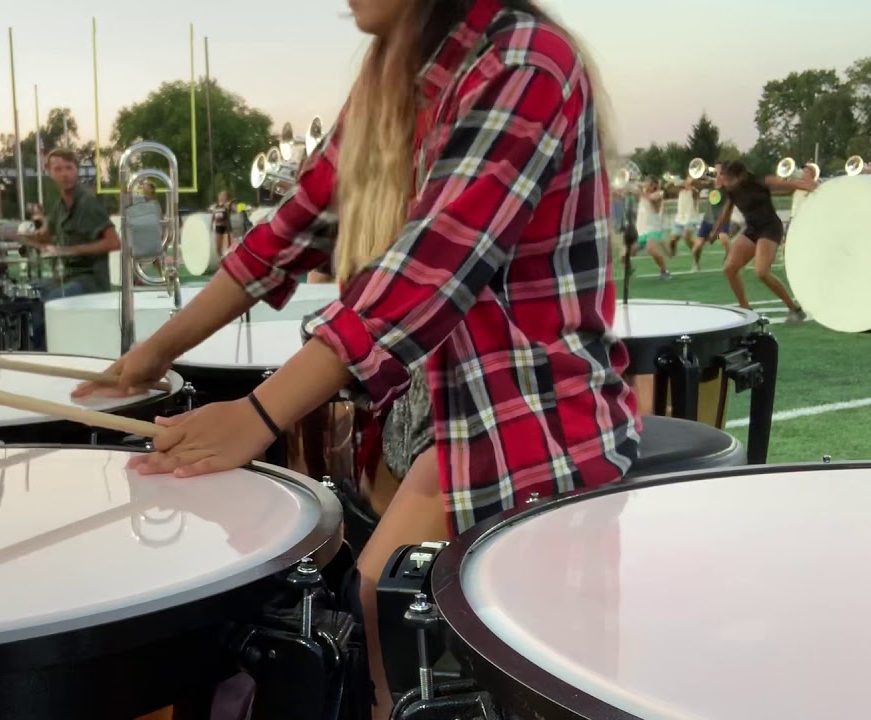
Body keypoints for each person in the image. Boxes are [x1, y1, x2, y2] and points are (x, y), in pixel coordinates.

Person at [73, 1, 639, 715]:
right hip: (439, 412)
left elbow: (423, 276)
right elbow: (288, 228)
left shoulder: (523, 64)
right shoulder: (395, 81)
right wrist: (152, 353)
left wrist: (256, 413)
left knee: (380, 593)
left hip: (535, 420)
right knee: (348, 571)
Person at [29, 148, 121, 349]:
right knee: (31, 293)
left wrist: (71, 250)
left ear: (76, 171)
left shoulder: (88, 203)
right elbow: (46, 235)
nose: (64, 174)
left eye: (69, 168)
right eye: (58, 169)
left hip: (90, 281)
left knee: (50, 302)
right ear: (50, 173)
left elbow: (114, 242)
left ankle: (49, 356)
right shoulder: (60, 205)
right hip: (67, 277)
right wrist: (22, 235)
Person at [716, 160, 812, 321]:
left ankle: (794, 309)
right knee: (730, 268)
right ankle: (746, 309)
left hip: (770, 227)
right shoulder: (732, 192)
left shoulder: (760, 182)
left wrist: (810, 186)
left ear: (740, 176)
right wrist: (714, 232)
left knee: (761, 272)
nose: (724, 182)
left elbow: (789, 185)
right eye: (722, 178)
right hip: (753, 229)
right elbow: (725, 214)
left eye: (727, 178)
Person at [633, 177, 671, 278]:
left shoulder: (659, 193)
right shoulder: (643, 194)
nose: (645, 185)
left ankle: (665, 271)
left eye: (648, 184)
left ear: (654, 185)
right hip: (641, 229)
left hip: (653, 228)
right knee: (627, 253)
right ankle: (630, 270)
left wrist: (639, 190)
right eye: (645, 183)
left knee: (651, 249)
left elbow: (651, 199)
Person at [667, 176, 700, 266]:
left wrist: (682, 183)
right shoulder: (680, 190)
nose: (688, 180)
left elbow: (692, 190)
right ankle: (674, 254)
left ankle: (696, 257)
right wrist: (672, 181)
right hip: (679, 219)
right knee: (672, 240)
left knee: (686, 238)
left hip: (691, 219)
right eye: (688, 178)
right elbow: (669, 189)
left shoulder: (694, 191)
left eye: (690, 179)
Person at [209, 191, 234, 257]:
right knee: (218, 248)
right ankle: (221, 261)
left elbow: (235, 209)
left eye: (223, 196)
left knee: (227, 247)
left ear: (226, 197)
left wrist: (229, 206)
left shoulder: (228, 205)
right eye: (220, 196)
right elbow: (213, 216)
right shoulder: (215, 206)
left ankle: (229, 260)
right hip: (218, 227)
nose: (221, 198)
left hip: (227, 227)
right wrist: (211, 226)